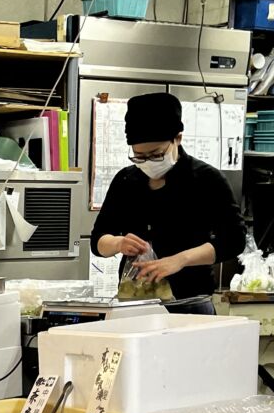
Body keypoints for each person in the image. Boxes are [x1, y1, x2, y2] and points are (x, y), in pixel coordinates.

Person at [90, 93, 243, 300]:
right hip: (136, 302)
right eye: (139, 156)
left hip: (191, 303)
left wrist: (180, 260)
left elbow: (233, 241)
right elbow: (98, 241)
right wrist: (118, 243)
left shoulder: (206, 180)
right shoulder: (125, 181)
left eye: (156, 154)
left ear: (177, 139)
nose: (148, 162)